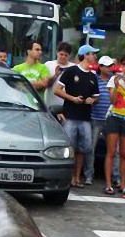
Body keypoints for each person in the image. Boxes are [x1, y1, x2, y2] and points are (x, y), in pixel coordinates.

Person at [54, 44, 100, 188]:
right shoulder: (71, 71)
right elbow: (57, 90)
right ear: (85, 55)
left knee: (83, 149)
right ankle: (66, 177)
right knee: (70, 148)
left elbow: (96, 97)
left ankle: (76, 177)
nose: (95, 56)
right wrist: (72, 98)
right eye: (93, 54)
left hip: (85, 116)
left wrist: (92, 100)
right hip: (71, 115)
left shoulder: (92, 76)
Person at [104, 56, 125, 195]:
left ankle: (123, 183)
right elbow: (112, 101)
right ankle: (108, 184)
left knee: (124, 153)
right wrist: (116, 87)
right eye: (123, 64)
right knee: (111, 152)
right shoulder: (114, 79)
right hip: (114, 116)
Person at [91, 55, 114, 188]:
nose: (110, 68)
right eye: (107, 66)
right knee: (91, 148)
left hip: (110, 119)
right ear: (100, 67)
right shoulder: (95, 79)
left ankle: (114, 177)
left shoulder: (114, 80)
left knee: (113, 151)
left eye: (111, 66)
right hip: (95, 117)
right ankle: (89, 175)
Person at [44, 42, 74, 110]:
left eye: (66, 55)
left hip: (67, 105)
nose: (63, 57)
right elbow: (46, 84)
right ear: (57, 53)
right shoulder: (48, 65)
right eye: (61, 54)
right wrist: (55, 75)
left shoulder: (73, 67)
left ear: (69, 56)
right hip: (50, 104)